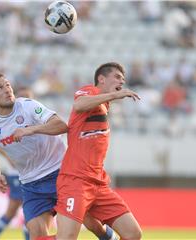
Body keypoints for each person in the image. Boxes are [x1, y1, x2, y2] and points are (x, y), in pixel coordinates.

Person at [55, 62, 142, 240]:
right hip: (75, 180)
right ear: (101, 79)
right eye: (117, 77)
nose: (121, 81)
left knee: (133, 234)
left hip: (99, 184)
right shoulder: (90, 91)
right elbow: (79, 104)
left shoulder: (104, 105)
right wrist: (113, 95)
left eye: (123, 79)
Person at [0, 73, 68, 240]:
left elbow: (62, 125)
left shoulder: (27, 105)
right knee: (36, 234)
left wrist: (29, 129)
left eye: (7, 85)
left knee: (82, 226)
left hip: (60, 172)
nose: (7, 89)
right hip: (30, 183)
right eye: (0, 87)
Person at [0, 87, 34, 240]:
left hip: (32, 171)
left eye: (29, 97)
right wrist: (9, 157)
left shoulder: (32, 116)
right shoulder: (6, 120)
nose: (26, 100)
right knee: (19, 210)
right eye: (23, 97)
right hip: (16, 173)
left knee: (28, 211)